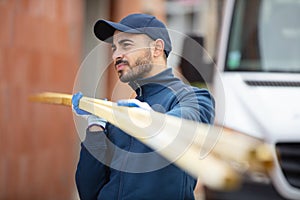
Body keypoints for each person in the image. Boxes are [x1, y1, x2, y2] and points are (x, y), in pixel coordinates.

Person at [72, 13, 215, 200]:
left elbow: (188, 121)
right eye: (114, 48)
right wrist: (96, 129)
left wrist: (153, 120)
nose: (116, 55)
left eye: (126, 45)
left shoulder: (194, 99)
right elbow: (88, 191)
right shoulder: (120, 114)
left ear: (156, 48)